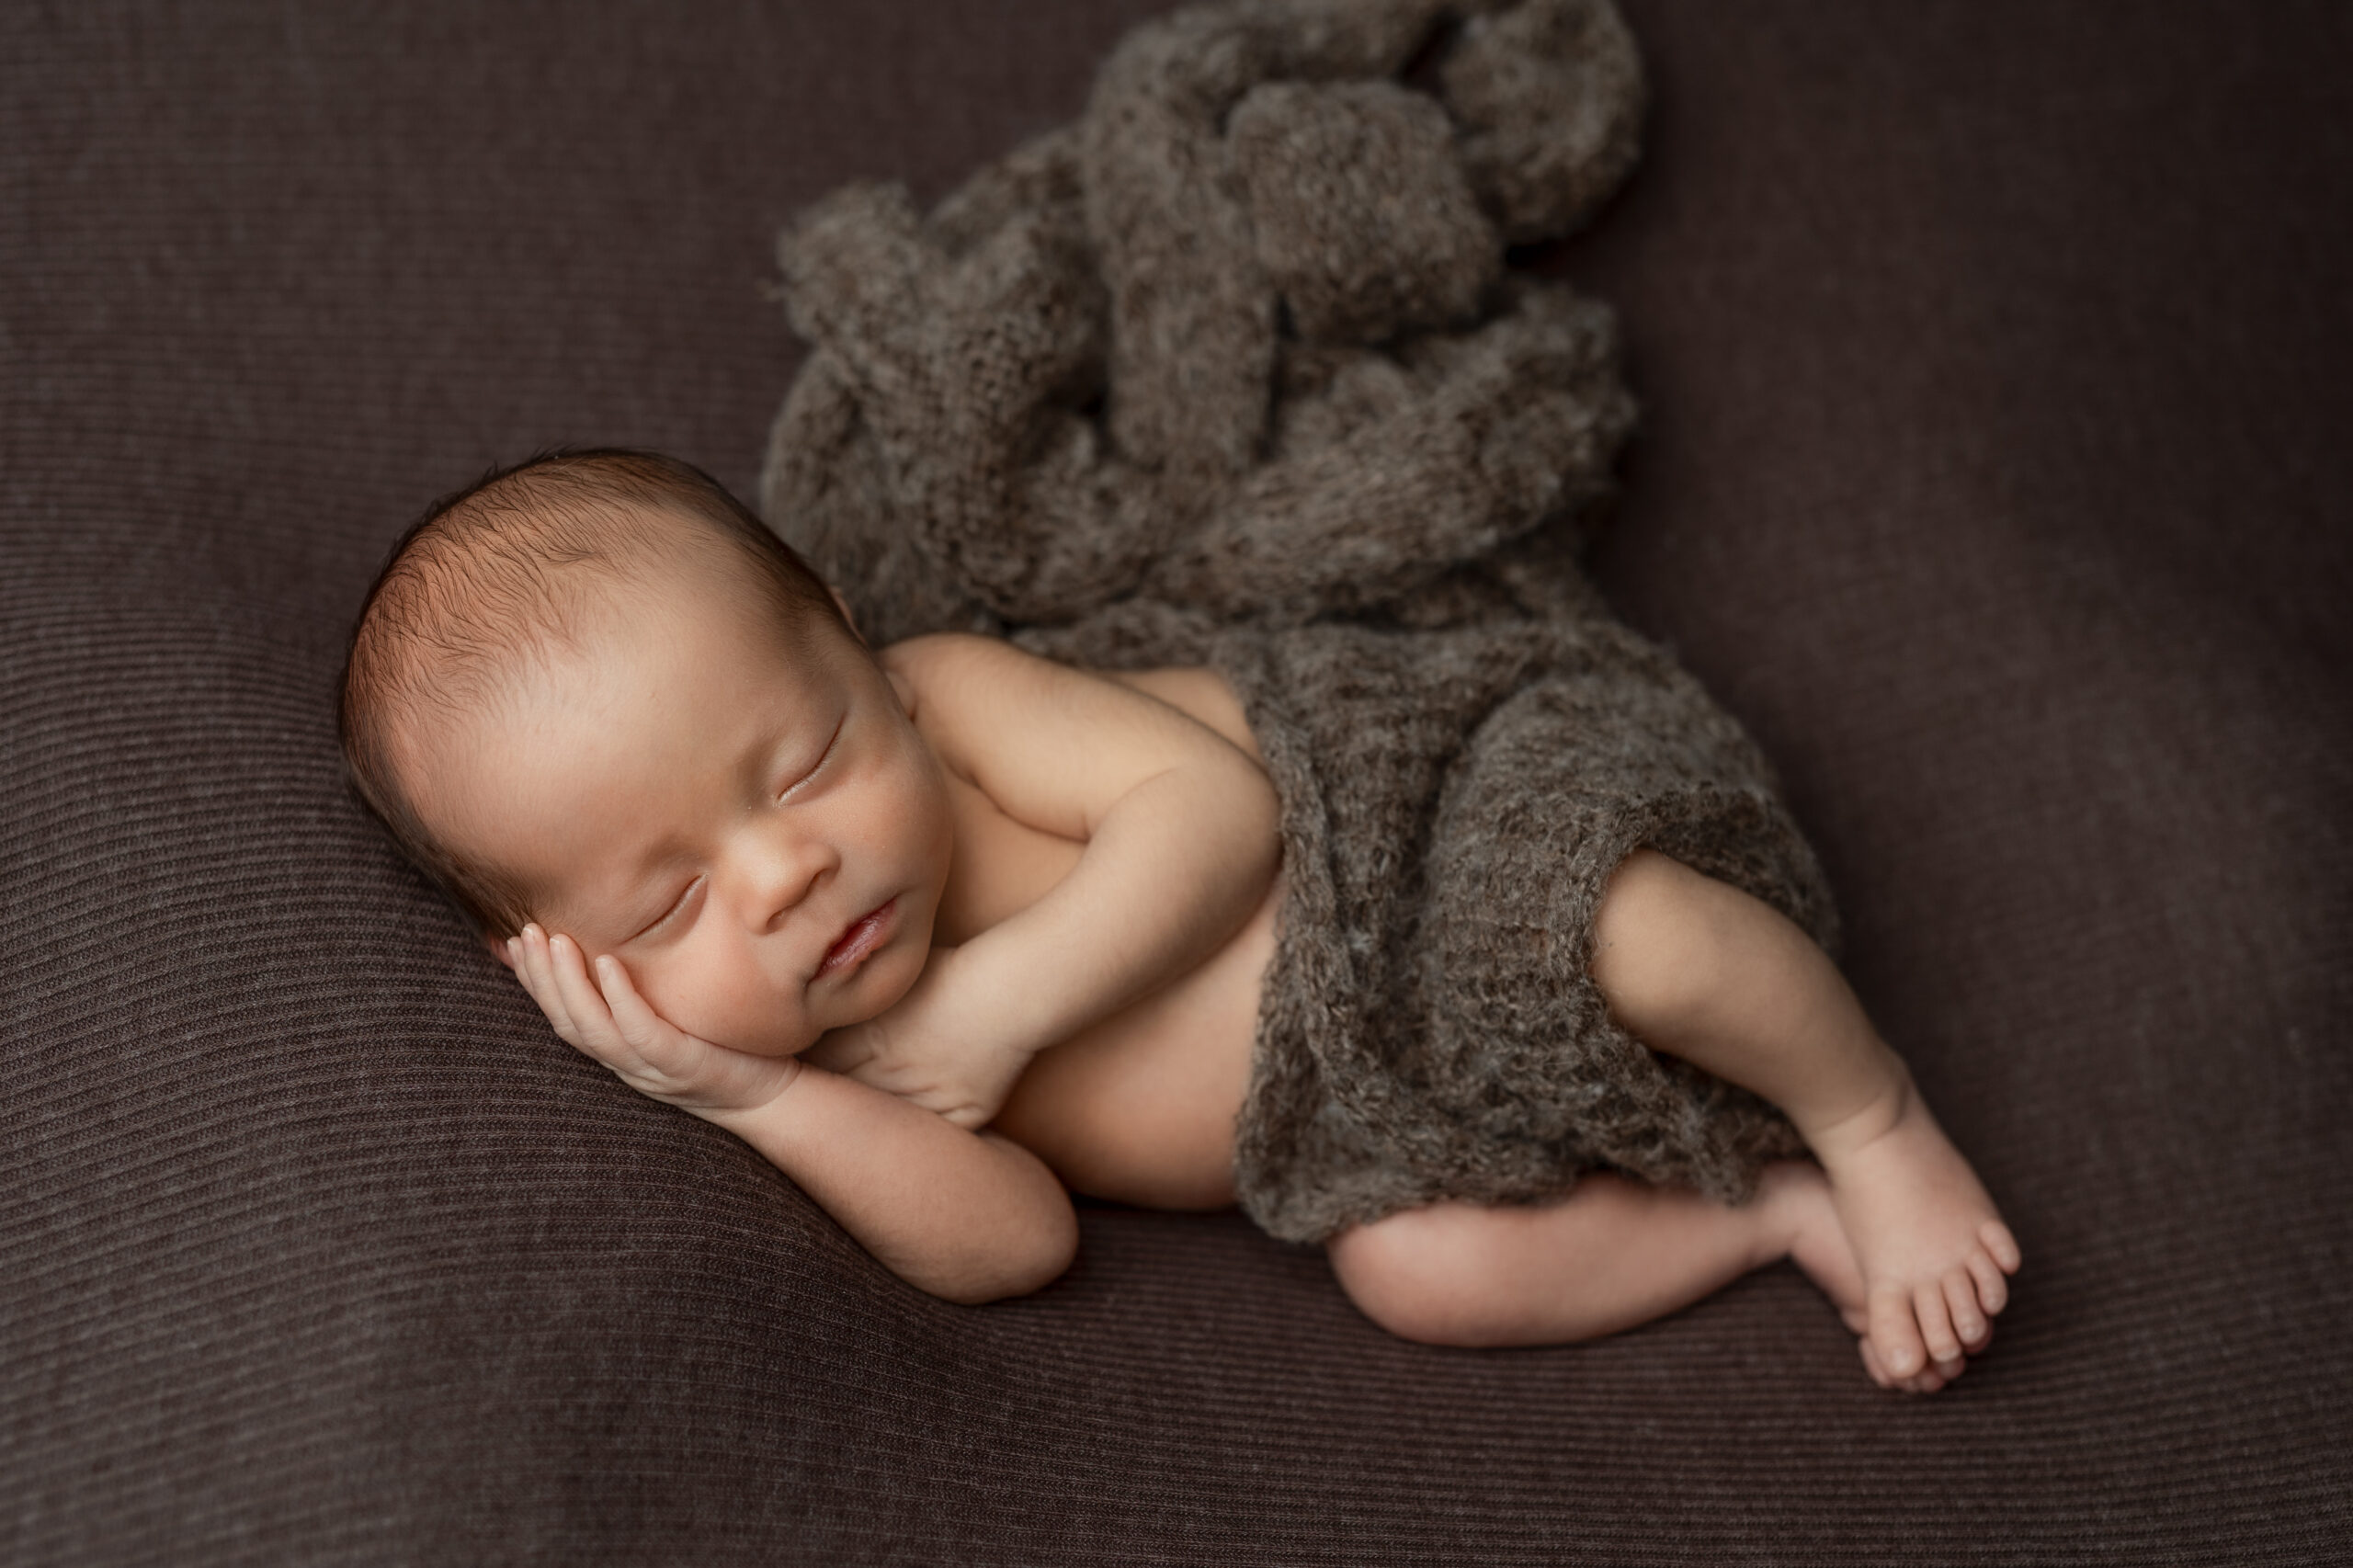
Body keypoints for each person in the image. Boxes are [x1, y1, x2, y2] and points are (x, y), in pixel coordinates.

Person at [339, 448, 2019, 1393]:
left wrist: (999, 1006)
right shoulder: (811, 1049)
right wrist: (765, 1099)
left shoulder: (955, 704)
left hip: (1410, 841)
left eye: (805, 759)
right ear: (575, 970)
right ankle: (1777, 1215)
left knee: (1636, 934)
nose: (785, 876)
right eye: (678, 898)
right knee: (1418, 1274)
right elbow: (1015, 1242)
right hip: (1358, 1110)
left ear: (858, 648)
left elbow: (1219, 813)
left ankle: (1868, 1116)